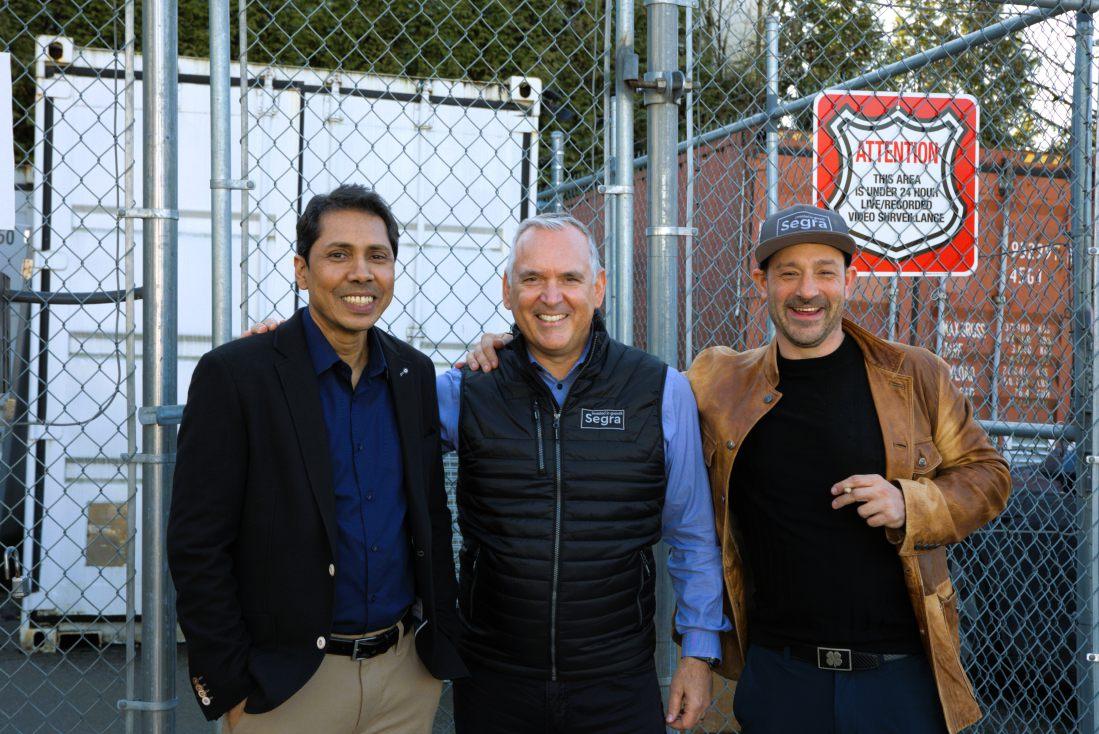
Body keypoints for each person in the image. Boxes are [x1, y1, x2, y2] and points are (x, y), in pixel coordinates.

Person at [685, 204, 1011, 733]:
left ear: (849, 280)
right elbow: (643, 419)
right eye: (788, 273)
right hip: (780, 676)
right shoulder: (719, 383)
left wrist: (910, 503)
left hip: (899, 677)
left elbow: (988, 474)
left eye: (824, 272)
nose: (807, 290)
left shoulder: (915, 375)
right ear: (761, 283)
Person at [167, 184, 466, 734]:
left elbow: (430, 513)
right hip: (288, 687)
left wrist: (436, 641)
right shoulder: (237, 376)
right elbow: (197, 545)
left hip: (404, 678)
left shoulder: (413, 374)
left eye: (377, 256)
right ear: (302, 271)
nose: (361, 273)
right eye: (338, 255)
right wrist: (231, 685)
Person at [444, 213, 728, 734]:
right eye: (532, 278)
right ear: (507, 291)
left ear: (598, 288)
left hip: (616, 682)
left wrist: (698, 652)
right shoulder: (467, 389)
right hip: (494, 679)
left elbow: (691, 534)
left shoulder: (660, 391)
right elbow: (369, 417)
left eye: (569, 278)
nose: (551, 297)